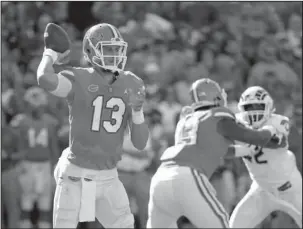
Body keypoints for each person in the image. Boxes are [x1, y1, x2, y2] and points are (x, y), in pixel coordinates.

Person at [37, 23, 149, 228]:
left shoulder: (132, 83)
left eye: (117, 48)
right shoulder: (79, 78)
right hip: (77, 174)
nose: (114, 54)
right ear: (90, 51)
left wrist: (138, 111)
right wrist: (50, 54)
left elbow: (140, 143)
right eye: (108, 48)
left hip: (109, 176)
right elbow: (45, 78)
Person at [146, 78, 286, 228]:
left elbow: (214, 149)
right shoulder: (217, 117)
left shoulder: (186, 120)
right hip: (187, 177)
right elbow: (253, 137)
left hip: (160, 179)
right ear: (217, 96)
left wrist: (246, 150)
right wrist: (271, 130)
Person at [228, 86, 302, 228]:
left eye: (258, 106)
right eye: (249, 107)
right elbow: (226, 150)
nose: (253, 111)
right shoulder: (237, 123)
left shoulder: (278, 121)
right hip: (261, 189)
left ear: (269, 106)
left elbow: (272, 142)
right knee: (235, 226)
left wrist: (242, 145)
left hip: (289, 188)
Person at [11, 87, 60, 228]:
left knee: (45, 202)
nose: (37, 108)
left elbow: (54, 145)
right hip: (27, 164)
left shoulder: (49, 122)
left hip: (44, 165)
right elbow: (16, 144)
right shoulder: (21, 121)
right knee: (26, 202)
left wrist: (55, 166)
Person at [1, 111, 23, 229]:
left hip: (8, 172)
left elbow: (22, 153)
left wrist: (8, 156)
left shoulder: (13, 133)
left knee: (12, 208)